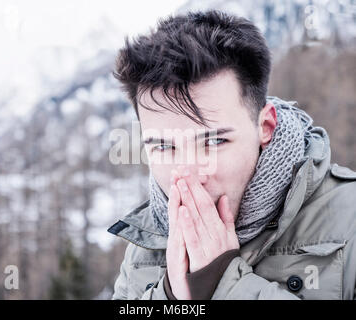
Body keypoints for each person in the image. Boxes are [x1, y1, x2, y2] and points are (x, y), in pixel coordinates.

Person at [107, 10, 356, 300]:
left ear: (265, 126)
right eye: (164, 146)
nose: (190, 174)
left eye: (214, 141)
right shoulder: (143, 248)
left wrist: (225, 286)